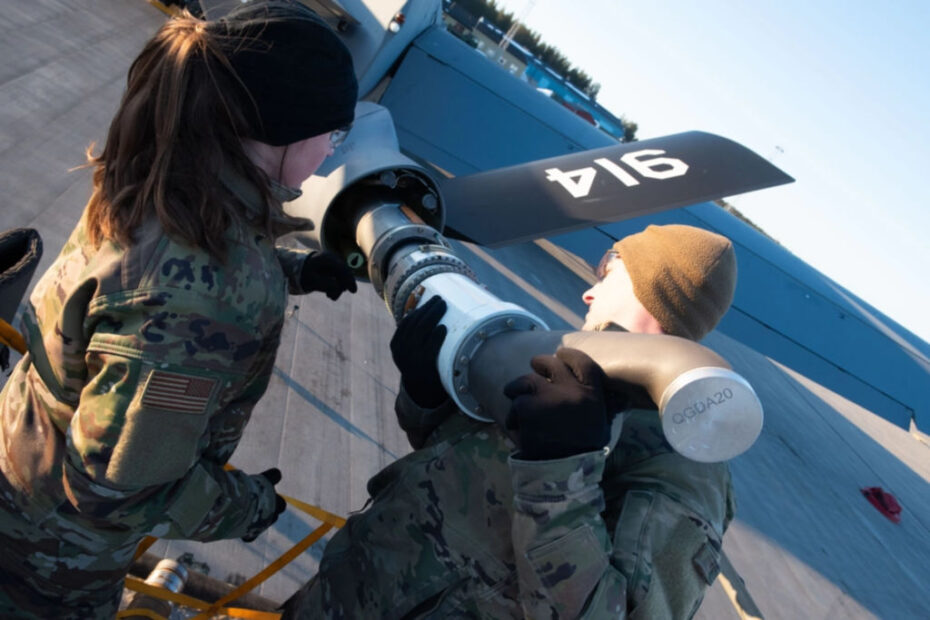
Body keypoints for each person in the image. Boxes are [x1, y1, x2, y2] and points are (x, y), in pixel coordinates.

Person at [0, 2, 358, 616]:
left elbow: (141, 286)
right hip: (47, 567)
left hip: (20, 459)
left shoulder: (165, 172)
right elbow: (113, 487)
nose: (331, 151)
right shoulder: (213, 293)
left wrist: (290, 269)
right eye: (334, 134)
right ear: (288, 131)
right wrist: (249, 507)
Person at [283, 224, 739, 619]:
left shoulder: (682, 462)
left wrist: (560, 469)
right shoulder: (567, 367)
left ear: (649, 285)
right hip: (338, 598)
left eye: (610, 270)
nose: (589, 290)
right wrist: (425, 394)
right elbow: (457, 466)